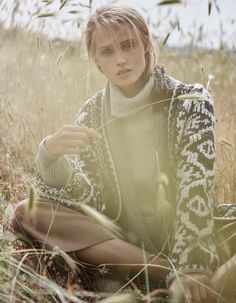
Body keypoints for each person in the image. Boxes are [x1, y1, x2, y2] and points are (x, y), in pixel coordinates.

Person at [12, 3, 236, 302]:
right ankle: (163, 271)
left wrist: (192, 264)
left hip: (197, 235)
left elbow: (195, 189)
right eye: (106, 52)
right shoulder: (91, 115)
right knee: (25, 212)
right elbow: (90, 198)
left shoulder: (190, 100)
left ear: (145, 44)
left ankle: (208, 281)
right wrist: (49, 158)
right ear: (96, 62)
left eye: (128, 45)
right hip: (127, 244)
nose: (120, 59)